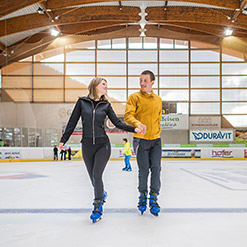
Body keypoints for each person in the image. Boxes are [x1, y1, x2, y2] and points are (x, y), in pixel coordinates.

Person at [59, 77, 142, 223]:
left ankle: (97, 207)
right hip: (86, 145)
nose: (106, 86)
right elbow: (72, 122)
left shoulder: (106, 105)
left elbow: (117, 123)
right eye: (103, 84)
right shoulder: (82, 102)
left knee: (97, 176)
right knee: (92, 178)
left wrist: (133, 129)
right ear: (95, 85)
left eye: (107, 84)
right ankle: (102, 193)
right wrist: (63, 140)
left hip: (103, 145)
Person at [124, 70, 162, 217]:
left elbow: (158, 119)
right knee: (144, 170)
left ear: (153, 82)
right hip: (140, 139)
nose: (142, 83)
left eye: (145, 80)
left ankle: (153, 198)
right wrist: (137, 124)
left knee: (157, 168)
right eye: (140, 80)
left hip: (156, 139)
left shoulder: (158, 100)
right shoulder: (134, 97)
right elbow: (128, 116)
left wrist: (157, 133)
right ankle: (142, 196)